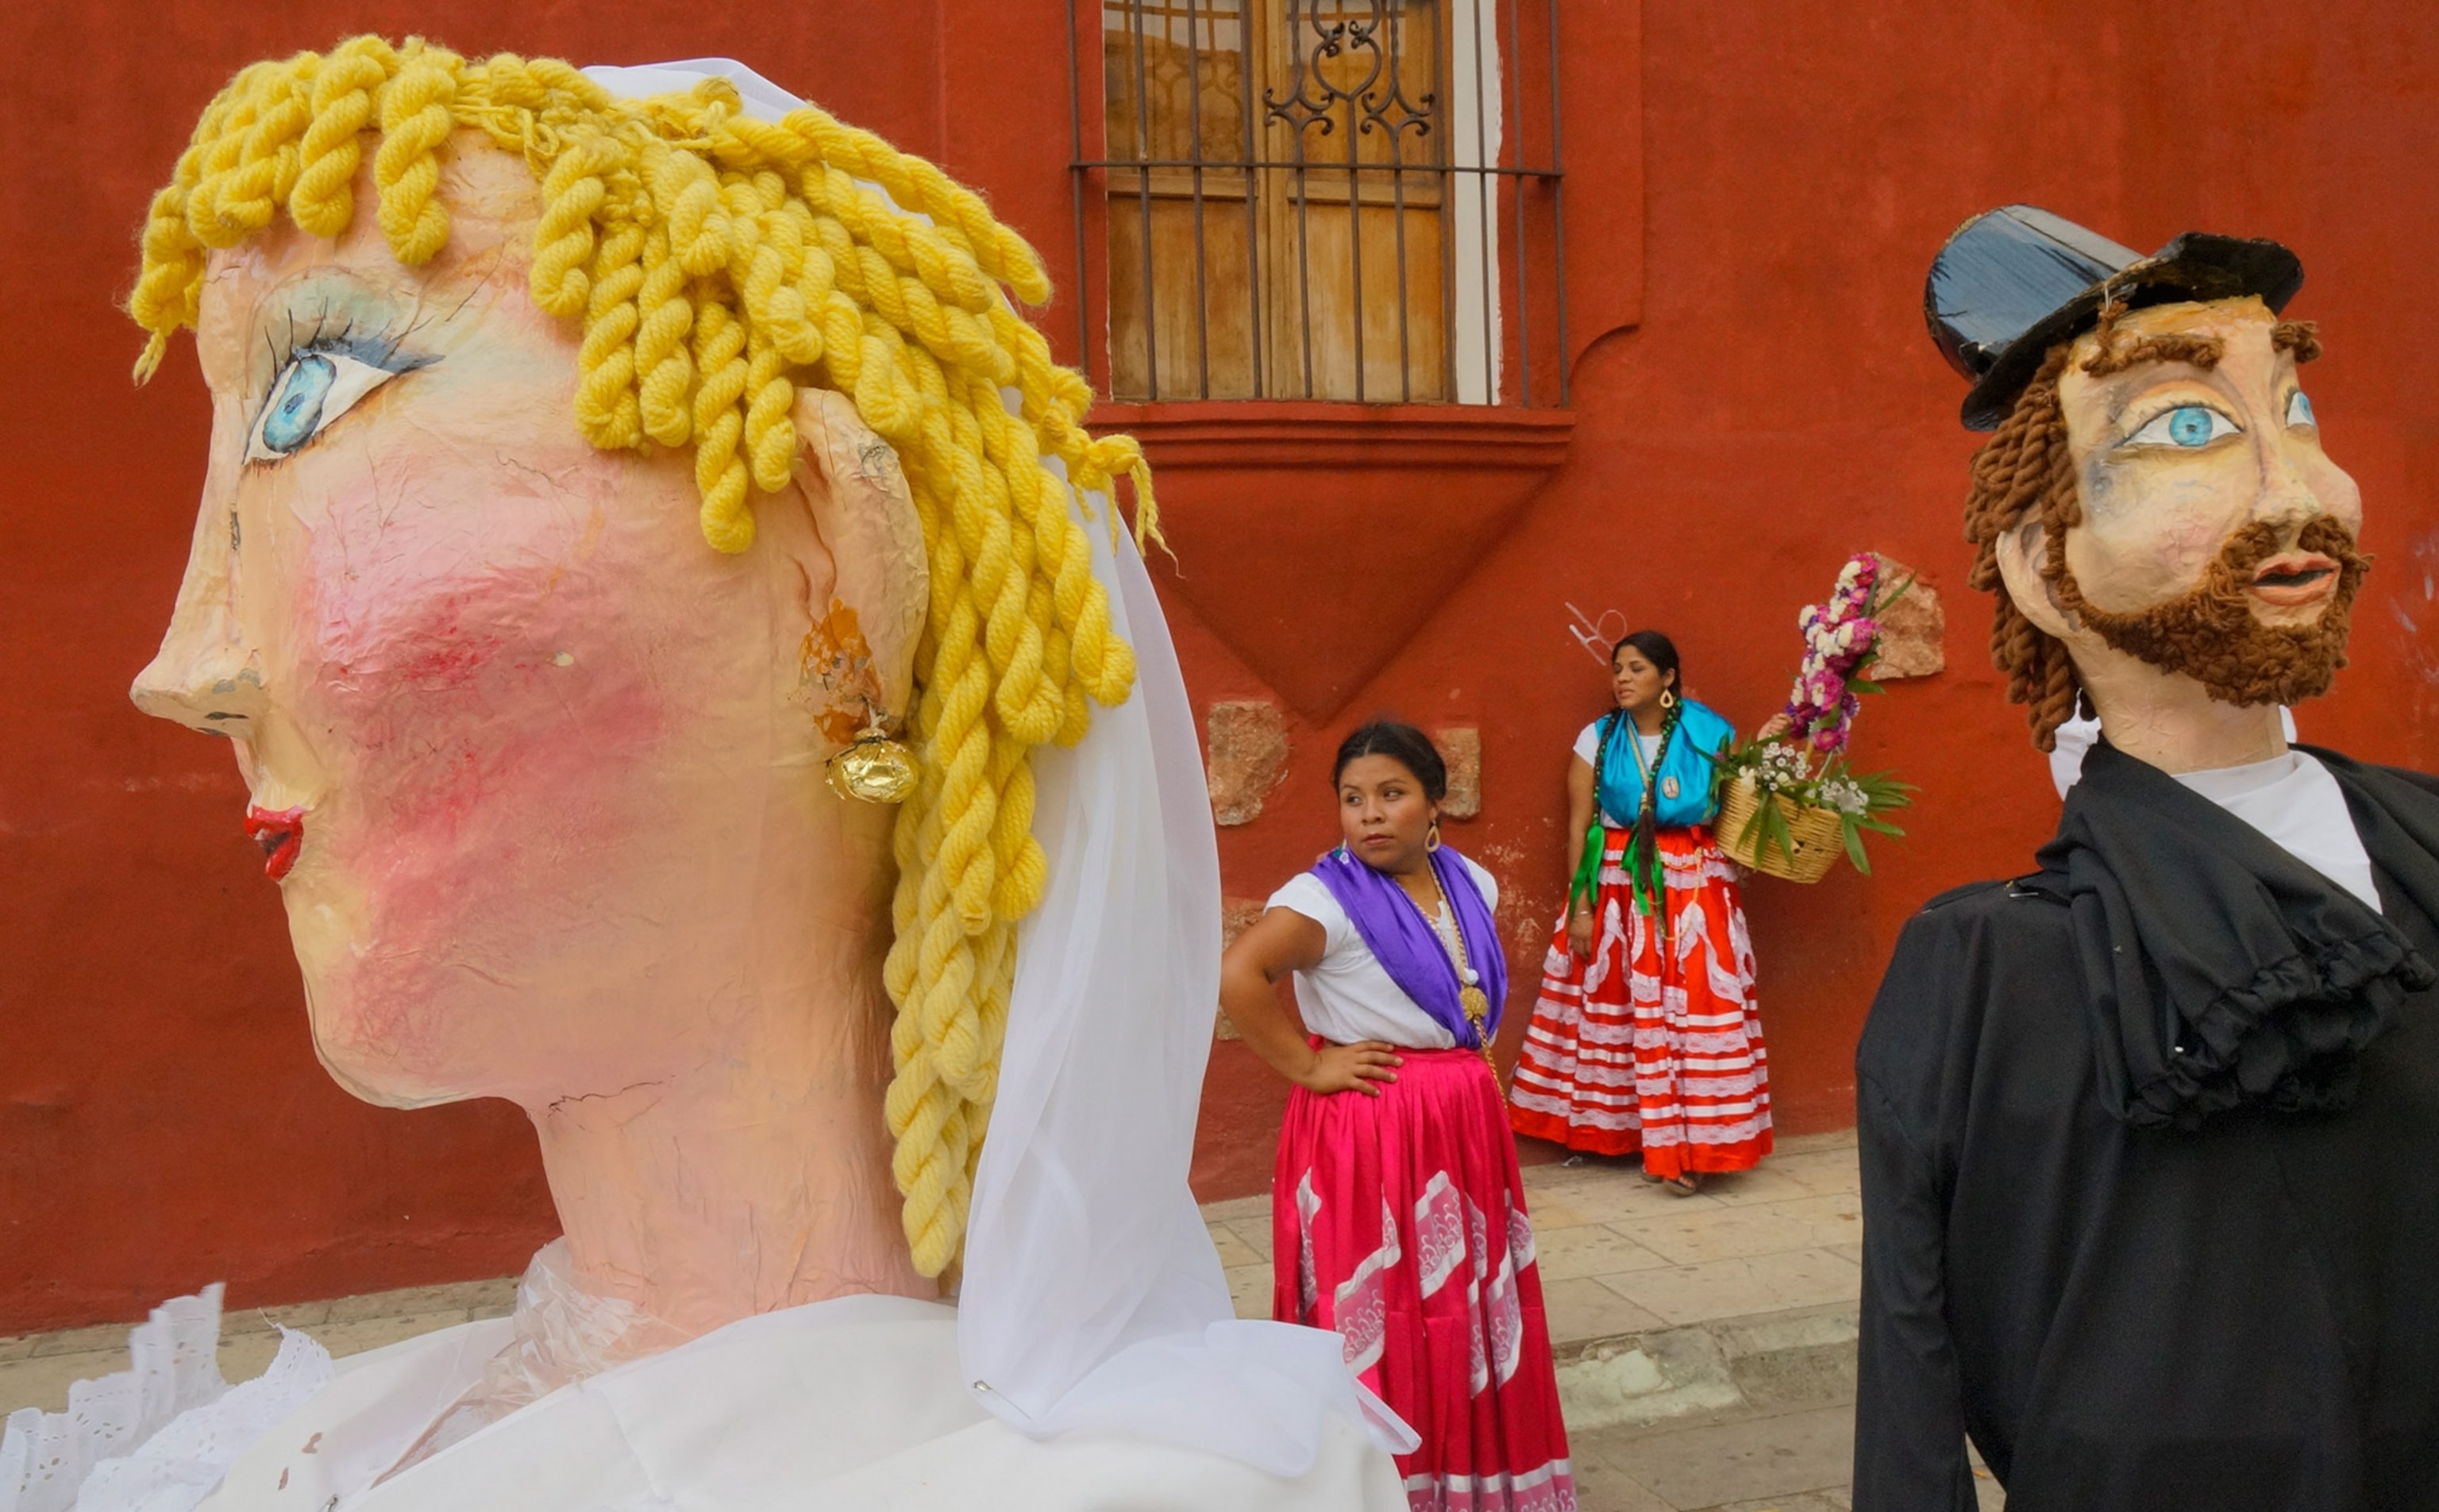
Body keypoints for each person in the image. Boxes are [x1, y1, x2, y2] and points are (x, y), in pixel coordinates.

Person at [3, 41, 1411, 1512]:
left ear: (829, 565)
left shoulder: (1166, 1494)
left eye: (314, 396)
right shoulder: (312, 1446)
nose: (187, 666)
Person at [1854, 205, 2439, 1509]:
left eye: (2292, 411)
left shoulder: (2423, 848)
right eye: (2188, 428)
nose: (2296, 489)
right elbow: (1908, 1368)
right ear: (2041, 567)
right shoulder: (1987, 969)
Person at [1220, 721, 1576, 1512]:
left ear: (1434, 805)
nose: (1370, 816)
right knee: (1379, 1313)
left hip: (1460, 1123)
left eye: (1391, 795)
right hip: (1371, 1130)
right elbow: (1241, 974)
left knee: (1460, 1309)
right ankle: (1378, 1491)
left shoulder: (1471, 883)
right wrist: (1311, 1066)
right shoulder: (1323, 901)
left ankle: (1471, 1480)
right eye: (1353, 800)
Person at [1506, 631, 1774, 1192]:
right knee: (1628, 1009)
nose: (1622, 678)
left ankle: (1699, 1146)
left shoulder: (1711, 733)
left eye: (1636, 668)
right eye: (1617, 668)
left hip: (1696, 892)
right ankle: (1649, 1141)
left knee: (1696, 1006)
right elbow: (1580, 825)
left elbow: (1740, 811)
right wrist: (1581, 906)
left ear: (1669, 677)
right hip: (1618, 887)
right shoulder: (1597, 738)